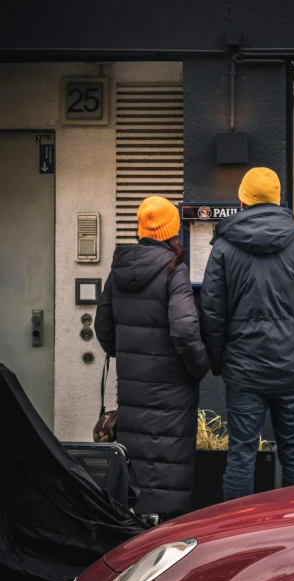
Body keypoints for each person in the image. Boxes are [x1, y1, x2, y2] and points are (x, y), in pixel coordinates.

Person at [200, 167, 294, 501]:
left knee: (241, 455)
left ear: (242, 200)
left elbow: (212, 315)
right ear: (277, 199)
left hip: (244, 369)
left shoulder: (225, 249)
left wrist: (221, 363)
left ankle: (236, 537)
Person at [95, 196, 210, 520]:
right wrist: (200, 366)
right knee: (168, 469)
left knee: (137, 471)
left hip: (133, 393)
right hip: (172, 391)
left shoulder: (118, 272)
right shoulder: (174, 270)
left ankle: (135, 545)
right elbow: (186, 330)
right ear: (173, 231)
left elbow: (103, 327)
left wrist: (128, 355)